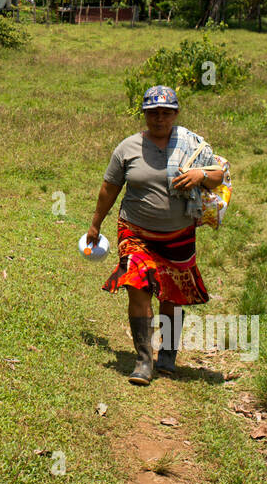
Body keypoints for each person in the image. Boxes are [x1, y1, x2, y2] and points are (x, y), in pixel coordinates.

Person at [87, 85, 225, 385]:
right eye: (153, 113)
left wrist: (201, 175)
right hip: (135, 231)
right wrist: (96, 224)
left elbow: (219, 176)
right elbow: (109, 188)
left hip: (178, 234)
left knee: (171, 297)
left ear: (175, 114)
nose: (159, 119)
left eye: (165, 113)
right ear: (145, 115)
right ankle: (143, 359)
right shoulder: (127, 148)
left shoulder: (192, 145)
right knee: (137, 287)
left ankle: (168, 357)